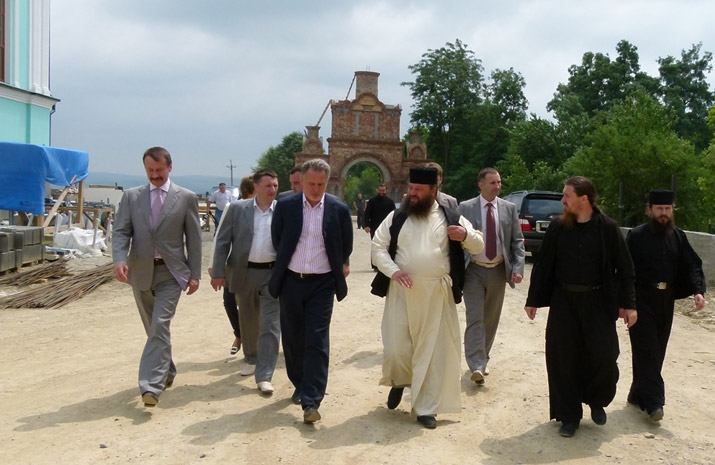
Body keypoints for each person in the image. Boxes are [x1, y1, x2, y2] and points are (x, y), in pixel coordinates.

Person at [524, 176, 637, 437]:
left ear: (583, 199)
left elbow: (626, 268)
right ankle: (569, 416)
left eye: (567, 196)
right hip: (564, 302)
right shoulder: (557, 227)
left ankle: (596, 399)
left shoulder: (608, 228)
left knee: (605, 356)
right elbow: (544, 265)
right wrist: (533, 300)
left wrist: (628, 305)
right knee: (563, 358)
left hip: (598, 302)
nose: (562, 200)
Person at [372, 167, 484, 429]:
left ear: (434, 191)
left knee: (432, 353)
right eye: (411, 188)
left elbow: (478, 244)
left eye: (418, 190)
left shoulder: (451, 216)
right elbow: (377, 248)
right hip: (402, 291)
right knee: (397, 349)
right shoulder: (396, 216)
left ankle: (426, 408)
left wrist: (465, 236)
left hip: (437, 294)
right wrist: (394, 271)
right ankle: (400, 380)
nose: (412, 193)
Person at [112, 146, 202, 407]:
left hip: (171, 272)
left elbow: (194, 240)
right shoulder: (131, 197)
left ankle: (150, 386)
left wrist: (194, 274)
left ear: (170, 167)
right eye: (150, 170)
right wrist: (119, 259)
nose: (155, 175)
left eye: (159, 170)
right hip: (140, 271)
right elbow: (120, 232)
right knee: (153, 328)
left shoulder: (185, 197)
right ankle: (167, 370)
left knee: (160, 324)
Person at [269, 159, 353, 424]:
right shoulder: (285, 207)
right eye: (311, 183)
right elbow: (278, 239)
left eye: (321, 184)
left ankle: (312, 400)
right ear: (302, 181)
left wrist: (340, 266)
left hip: (322, 284)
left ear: (327, 182)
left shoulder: (339, 210)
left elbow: (345, 244)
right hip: (291, 281)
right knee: (293, 339)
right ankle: (300, 382)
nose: (316, 189)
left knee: (316, 340)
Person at [626, 189, 706, 422]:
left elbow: (692, 264)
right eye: (659, 209)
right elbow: (624, 270)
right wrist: (624, 303)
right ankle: (654, 404)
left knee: (656, 350)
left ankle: (636, 393)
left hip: (666, 300)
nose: (664, 213)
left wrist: (698, 291)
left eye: (668, 209)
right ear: (649, 210)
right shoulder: (636, 236)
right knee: (648, 348)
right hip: (641, 299)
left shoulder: (678, 236)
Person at [211, 169, 281, 394]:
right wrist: (218, 272)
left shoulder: (282, 211)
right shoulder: (236, 210)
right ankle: (251, 358)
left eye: (275, 186)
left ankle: (265, 374)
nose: (272, 190)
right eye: (268, 185)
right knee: (248, 319)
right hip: (244, 272)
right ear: (257, 187)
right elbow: (222, 241)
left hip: (272, 274)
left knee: (270, 324)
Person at [458, 167, 525, 385]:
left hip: (498, 270)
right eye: (493, 183)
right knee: (475, 317)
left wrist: (517, 268)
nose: (497, 186)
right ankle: (476, 364)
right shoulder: (465, 207)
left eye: (499, 182)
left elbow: (517, 241)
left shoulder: (509, 208)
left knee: (491, 319)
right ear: (481, 185)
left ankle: (482, 358)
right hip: (473, 269)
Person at [210, 174, 255, 356]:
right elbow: (220, 238)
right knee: (229, 302)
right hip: (233, 266)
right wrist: (215, 265)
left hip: (256, 269)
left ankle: (253, 342)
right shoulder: (233, 208)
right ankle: (240, 334)